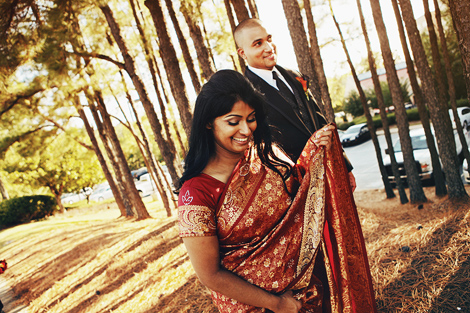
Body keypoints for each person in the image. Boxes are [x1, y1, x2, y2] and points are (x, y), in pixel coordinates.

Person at [176, 70, 377, 312]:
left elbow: (301, 194)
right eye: (233, 121)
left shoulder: (266, 155)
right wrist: (277, 303)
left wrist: (317, 155)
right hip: (256, 306)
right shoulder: (196, 194)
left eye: (251, 118)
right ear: (209, 122)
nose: (246, 130)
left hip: (307, 288)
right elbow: (210, 274)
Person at [233, 18, 356, 191]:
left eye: (269, 39)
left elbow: (321, 124)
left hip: (330, 174)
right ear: (243, 53)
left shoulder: (293, 76)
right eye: (258, 43)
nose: (269, 47)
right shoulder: (244, 96)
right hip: (293, 190)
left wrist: (345, 167)